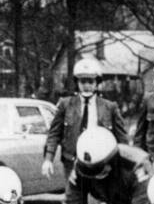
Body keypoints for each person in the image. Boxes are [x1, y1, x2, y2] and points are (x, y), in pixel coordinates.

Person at [42, 56, 128, 188]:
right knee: (73, 202)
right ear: (77, 83)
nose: (86, 86)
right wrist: (48, 159)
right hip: (72, 162)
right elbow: (54, 134)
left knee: (97, 203)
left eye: (90, 82)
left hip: (101, 164)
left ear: (96, 83)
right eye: (83, 82)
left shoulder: (110, 107)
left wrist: (125, 165)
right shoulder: (66, 105)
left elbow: (122, 140)